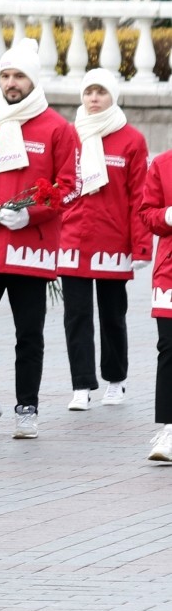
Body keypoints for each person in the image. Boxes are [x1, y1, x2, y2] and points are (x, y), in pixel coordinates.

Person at [0, 40, 80, 440]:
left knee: (29, 332)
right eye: (6, 76)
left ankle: (27, 406)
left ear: (33, 80)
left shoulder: (57, 128)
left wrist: (32, 214)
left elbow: (71, 186)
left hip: (32, 248)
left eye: (19, 76)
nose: (11, 83)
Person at [58, 68, 149, 412]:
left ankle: (116, 380)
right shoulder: (68, 135)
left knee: (113, 315)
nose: (94, 98)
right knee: (76, 316)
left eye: (101, 92)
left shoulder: (132, 140)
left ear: (113, 97)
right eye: (88, 92)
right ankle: (81, 385)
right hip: (73, 240)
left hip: (114, 242)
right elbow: (57, 187)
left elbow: (138, 196)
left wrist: (141, 245)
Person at [138, 143, 172, 462]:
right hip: (170, 273)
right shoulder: (162, 164)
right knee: (169, 348)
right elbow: (147, 214)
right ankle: (169, 428)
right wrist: (168, 215)